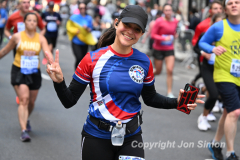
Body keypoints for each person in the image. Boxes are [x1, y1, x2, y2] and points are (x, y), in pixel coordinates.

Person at [45, 5, 204, 160]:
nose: (130, 32)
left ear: (142, 34)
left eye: (137, 29)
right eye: (127, 25)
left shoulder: (144, 61)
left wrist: (177, 102)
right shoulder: (92, 59)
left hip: (131, 137)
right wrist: (59, 82)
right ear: (116, 23)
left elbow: (150, 98)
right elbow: (69, 101)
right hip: (96, 136)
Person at [0, 12, 52, 142]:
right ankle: (24, 130)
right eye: (29, 20)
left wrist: (53, 64)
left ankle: (26, 118)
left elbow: (48, 54)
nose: (32, 23)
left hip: (34, 72)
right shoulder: (17, 37)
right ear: (25, 22)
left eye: (34, 21)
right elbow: (5, 50)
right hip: (19, 71)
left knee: (31, 102)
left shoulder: (40, 38)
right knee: (24, 99)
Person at [199, 0, 240, 159]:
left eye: (237, 2)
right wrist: (212, 48)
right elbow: (202, 42)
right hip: (224, 75)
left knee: (228, 112)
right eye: (230, 3)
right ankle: (231, 152)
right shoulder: (219, 26)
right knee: (235, 112)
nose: (234, 5)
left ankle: (215, 144)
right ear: (225, 9)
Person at [4, 0, 45, 105]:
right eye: (24, 2)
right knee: (19, 65)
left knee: (31, 67)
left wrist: (38, 38)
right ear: (19, 4)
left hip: (32, 46)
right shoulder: (13, 17)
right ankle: (22, 92)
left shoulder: (34, 16)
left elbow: (43, 28)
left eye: (28, 2)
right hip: (18, 45)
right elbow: (6, 29)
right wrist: (11, 38)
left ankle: (25, 91)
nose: (26, 4)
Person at [194, 13, 226, 131]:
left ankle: (203, 87)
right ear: (213, 24)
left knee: (219, 95)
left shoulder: (226, 37)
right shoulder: (206, 35)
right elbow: (196, 47)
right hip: (207, 68)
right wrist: (204, 53)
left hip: (221, 69)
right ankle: (203, 117)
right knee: (214, 95)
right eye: (217, 23)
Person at [190, 0, 223, 87]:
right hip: (205, 58)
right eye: (215, 8)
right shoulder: (202, 25)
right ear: (210, 11)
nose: (218, 10)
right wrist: (203, 53)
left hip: (220, 59)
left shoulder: (226, 23)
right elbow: (195, 42)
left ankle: (204, 88)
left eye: (220, 8)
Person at [151, 4, 179, 98]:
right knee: (158, 71)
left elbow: (173, 32)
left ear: (172, 11)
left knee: (170, 70)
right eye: (166, 10)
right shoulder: (159, 21)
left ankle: (169, 92)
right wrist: (163, 38)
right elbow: (153, 35)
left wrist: (174, 35)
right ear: (163, 11)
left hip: (169, 49)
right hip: (158, 49)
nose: (168, 12)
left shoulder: (175, 21)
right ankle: (146, 78)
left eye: (169, 10)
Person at [66, 1, 93, 70]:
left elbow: (91, 29)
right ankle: (76, 71)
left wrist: (87, 28)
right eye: (81, 8)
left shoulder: (89, 18)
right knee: (79, 57)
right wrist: (75, 30)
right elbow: (68, 27)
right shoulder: (74, 17)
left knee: (83, 59)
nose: (83, 9)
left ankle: (80, 72)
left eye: (84, 8)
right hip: (76, 41)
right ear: (79, 9)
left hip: (85, 42)